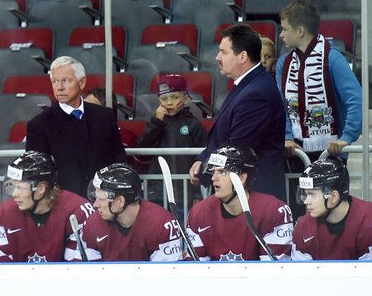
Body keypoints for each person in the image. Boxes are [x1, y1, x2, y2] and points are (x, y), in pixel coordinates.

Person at [276, 0, 362, 219]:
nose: (281, 35)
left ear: (301, 30)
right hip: (295, 154)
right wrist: (286, 136)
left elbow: (356, 99)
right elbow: (281, 106)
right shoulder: (282, 64)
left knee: (333, 216)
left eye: (285, 29)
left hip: (330, 156)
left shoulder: (333, 59)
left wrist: (346, 137)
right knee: (300, 214)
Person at [189, 24, 286, 202]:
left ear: (242, 56)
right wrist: (202, 158)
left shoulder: (256, 93)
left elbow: (237, 148)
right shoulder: (248, 85)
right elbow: (222, 138)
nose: (217, 57)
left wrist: (204, 168)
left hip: (253, 197)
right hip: (240, 194)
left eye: (223, 52)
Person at [26, 56, 126, 198]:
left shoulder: (104, 116)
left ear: (82, 82)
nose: (59, 87)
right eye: (55, 81)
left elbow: (118, 158)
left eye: (66, 81)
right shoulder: (39, 125)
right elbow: (39, 173)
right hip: (63, 206)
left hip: (104, 203)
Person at [186, 145, 293, 261]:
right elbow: (196, 271)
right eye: (213, 172)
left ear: (242, 178)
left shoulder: (274, 211)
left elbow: (275, 272)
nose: (214, 178)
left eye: (222, 172)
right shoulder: (199, 213)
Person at [0, 151, 93, 262]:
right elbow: (3, 266)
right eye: (12, 186)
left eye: (20, 188)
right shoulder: (5, 212)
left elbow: (76, 268)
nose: (14, 194)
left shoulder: (78, 211)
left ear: (41, 188)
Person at [80, 163, 182, 261]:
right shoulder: (92, 224)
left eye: (101, 199)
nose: (95, 205)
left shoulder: (162, 224)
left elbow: (166, 275)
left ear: (120, 201)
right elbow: (90, 274)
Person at [139, 74, 206, 210]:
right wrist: (156, 122)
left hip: (185, 189)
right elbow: (143, 150)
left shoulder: (194, 125)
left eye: (175, 97)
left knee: (182, 227)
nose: (169, 103)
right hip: (157, 189)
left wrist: (197, 193)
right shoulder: (156, 123)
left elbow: (202, 158)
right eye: (164, 98)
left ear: (186, 98)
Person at [292, 157, 372, 260]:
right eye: (306, 194)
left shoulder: (368, 221)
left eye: (312, 194)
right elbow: (302, 274)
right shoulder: (303, 227)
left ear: (334, 196)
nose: (306, 201)